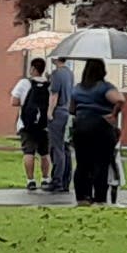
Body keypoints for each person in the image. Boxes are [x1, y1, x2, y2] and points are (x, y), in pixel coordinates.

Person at [66, 56, 124, 204]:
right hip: (101, 126)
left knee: (82, 164)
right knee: (101, 163)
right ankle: (99, 198)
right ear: (103, 71)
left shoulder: (77, 88)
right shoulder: (104, 87)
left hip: (81, 127)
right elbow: (119, 99)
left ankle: (82, 197)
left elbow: (71, 109)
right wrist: (113, 114)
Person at [12, 56, 56, 190]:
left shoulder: (24, 83)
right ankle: (45, 178)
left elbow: (14, 101)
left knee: (28, 152)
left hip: (27, 124)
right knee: (44, 153)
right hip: (43, 124)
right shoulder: (49, 84)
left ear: (32, 69)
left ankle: (30, 180)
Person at [46, 53, 79, 195]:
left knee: (57, 147)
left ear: (56, 58)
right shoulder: (69, 73)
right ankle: (66, 180)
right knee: (65, 147)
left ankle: (57, 180)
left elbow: (54, 95)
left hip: (58, 112)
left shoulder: (56, 74)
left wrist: (49, 112)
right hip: (67, 111)